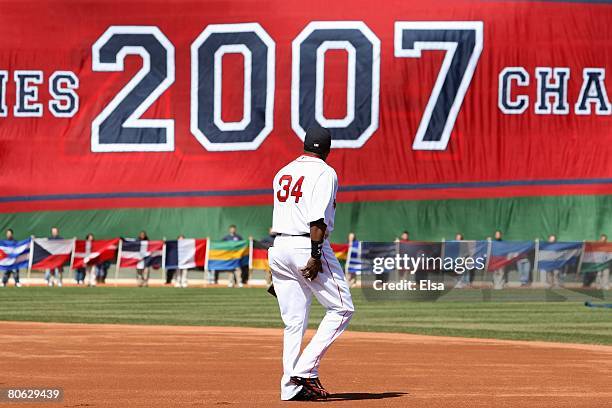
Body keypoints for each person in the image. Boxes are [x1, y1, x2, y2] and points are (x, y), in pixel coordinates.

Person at [268, 125, 354, 401]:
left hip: (280, 245)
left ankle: (290, 387)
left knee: (293, 322)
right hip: (307, 244)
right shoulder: (325, 172)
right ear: (328, 150)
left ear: (304, 145)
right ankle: (304, 372)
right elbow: (317, 219)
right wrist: (315, 256)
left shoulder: (283, 172)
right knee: (341, 308)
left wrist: (281, 268)